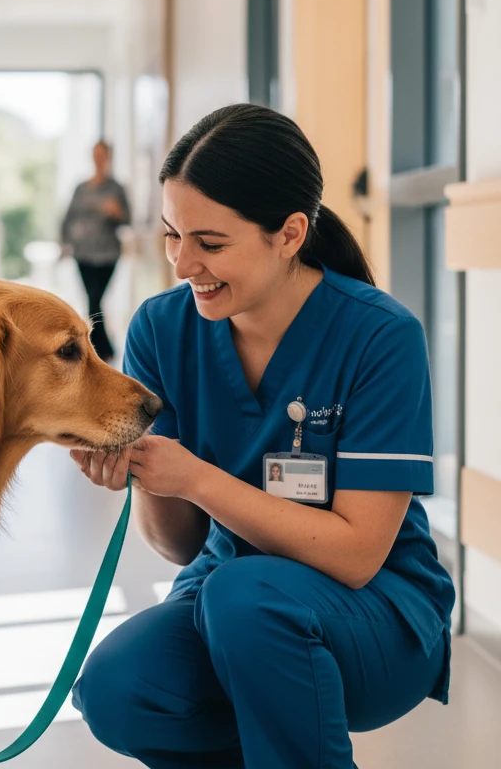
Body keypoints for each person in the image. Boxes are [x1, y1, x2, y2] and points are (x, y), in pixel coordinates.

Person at [70, 103, 454, 769]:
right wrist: (144, 473)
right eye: (172, 235)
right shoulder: (161, 329)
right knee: (117, 688)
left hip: (375, 611)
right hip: (231, 599)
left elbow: (357, 555)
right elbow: (179, 545)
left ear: (290, 233)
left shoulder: (381, 336)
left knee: (245, 599)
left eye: (210, 243)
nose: (183, 263)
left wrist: (196, 477)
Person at [61, 141, 130, 359]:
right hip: (83, 252)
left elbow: (128, 219)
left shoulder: (116, 188)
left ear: (108, 157)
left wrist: (117, 213)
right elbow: (68, 218)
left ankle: (98, 348)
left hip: (108, 254)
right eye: (96, 154)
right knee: (92, 300)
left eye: (103, 154)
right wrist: (63, 243)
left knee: (95, 300)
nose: (99, 158)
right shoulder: (81, 188)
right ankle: (103, 349)